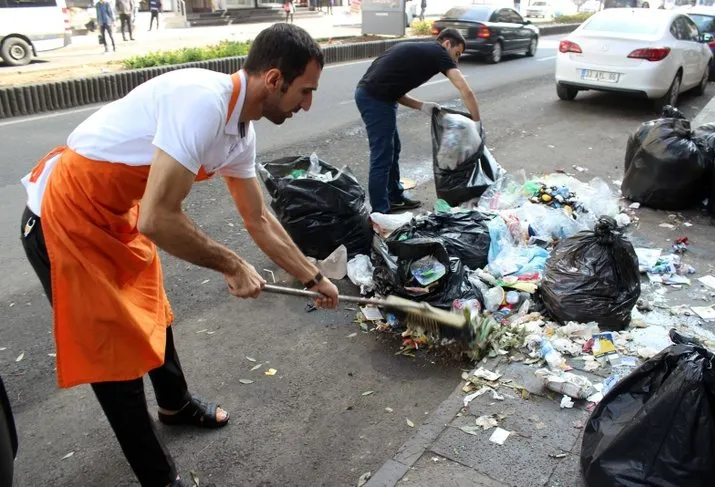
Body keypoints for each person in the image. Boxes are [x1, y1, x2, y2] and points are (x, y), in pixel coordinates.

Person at [19, 23, 338, 487]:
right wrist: (233, 264)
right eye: (305, 91)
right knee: (115, 361)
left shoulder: (240, 134)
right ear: (274, 80)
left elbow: (259, 219)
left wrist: (313, 278)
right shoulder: (201, 101)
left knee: (153, 311)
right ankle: (160, 479)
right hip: (63, 217)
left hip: (115, 216)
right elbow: (158, 219)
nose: (307, 105)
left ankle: (175, 404)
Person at [355, 28, 480, 214]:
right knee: (382, 155)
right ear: (446, 44)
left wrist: (421, 106)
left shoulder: (425, 52)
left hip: (380, 96)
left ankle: (394, 197)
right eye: (457, 54)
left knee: (393, 149)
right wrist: (477, 122)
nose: (456, 60)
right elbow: (466, 90)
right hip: (375, 99)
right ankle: (380, 212)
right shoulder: (438, 52)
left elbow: (394, 88)